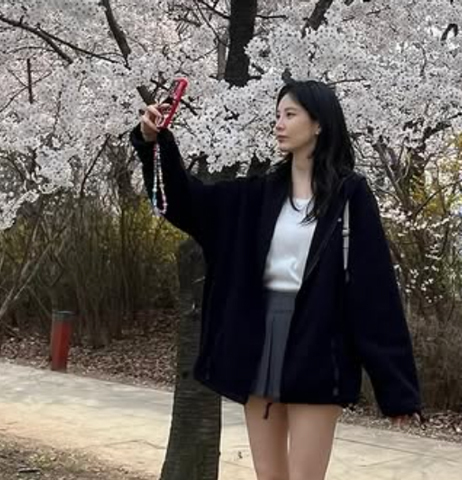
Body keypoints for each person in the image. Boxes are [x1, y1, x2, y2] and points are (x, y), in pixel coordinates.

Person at [131, 79, 421, 480]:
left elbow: (374, 292)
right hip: (259, 345)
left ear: (318, 123)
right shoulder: (258, 195)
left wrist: (397, 388)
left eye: (290, 115)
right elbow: (185, 203)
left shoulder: (349, 196)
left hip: (317, 348)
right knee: (268, 475)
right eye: (277, 115)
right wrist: (154, 143)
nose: (279, 124)